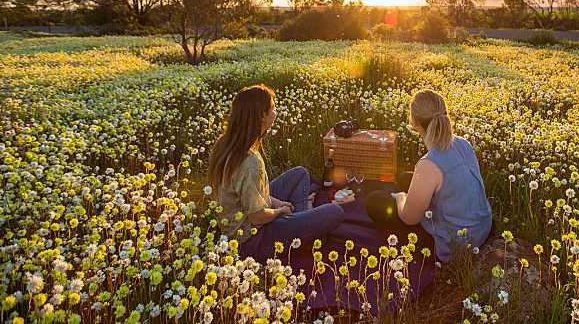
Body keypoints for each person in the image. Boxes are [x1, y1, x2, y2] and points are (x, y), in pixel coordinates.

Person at [208, 84, 345, 261]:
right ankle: (302, 231)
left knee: (301, 174)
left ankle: (299, 225)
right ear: (261, 116)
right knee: (335, 212)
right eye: (273, 107)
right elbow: (257, 217)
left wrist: (279, 203)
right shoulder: (249, 161)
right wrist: (280, 211)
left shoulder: (226, 143)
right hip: (253, 239)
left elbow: (249, 195)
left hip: (245, 216)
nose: (276, 112)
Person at [366, 89, 493, 262]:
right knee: (405, 177)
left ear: (415, 122)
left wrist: (400, 198)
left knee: (375, 201)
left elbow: (410, 219)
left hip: (455, 245)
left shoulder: (428, 165)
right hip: (481, 228)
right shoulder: (463, 143)